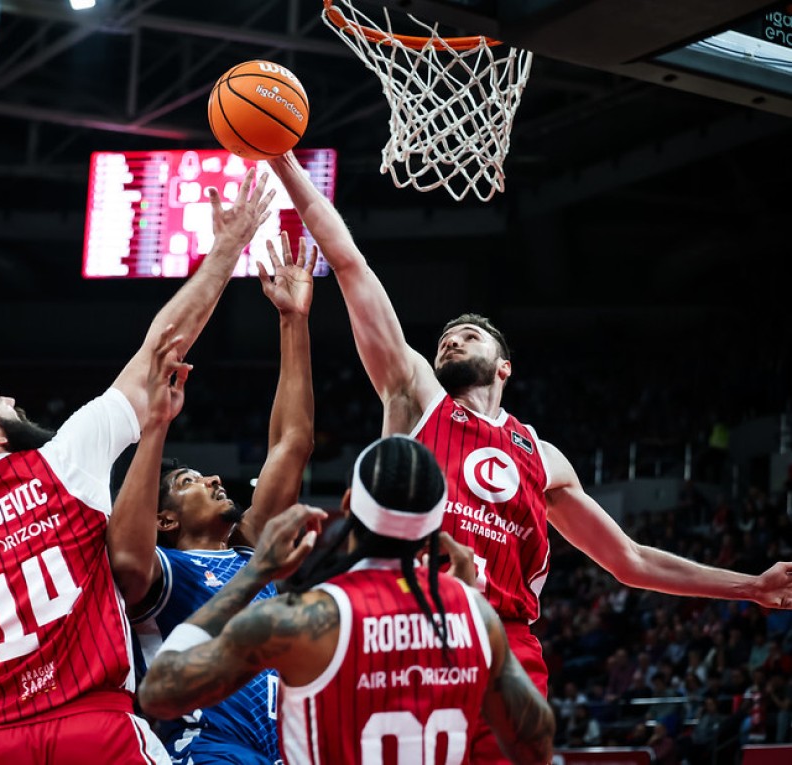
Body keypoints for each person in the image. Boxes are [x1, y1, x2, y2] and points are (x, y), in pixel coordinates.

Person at [267, 149, 792, 764]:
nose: (451, 341)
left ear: (504, 367)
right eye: (445, 340)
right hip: (408, 624)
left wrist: (752, 586)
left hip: (505, 642)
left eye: (468, 336)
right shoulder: (414, 395)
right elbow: (350, 264)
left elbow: (629, 560)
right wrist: (284, 162)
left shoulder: (544, 459)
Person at [0, 170, 275, 765]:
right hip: (93, 726)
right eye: (2, 401)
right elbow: (162, 348)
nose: (15, 402)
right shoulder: (64, 459)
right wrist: (228, 249)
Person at [137, 435, 555, 765]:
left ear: (349, 504)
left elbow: (159, 693)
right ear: (434, 521)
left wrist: (255, 573)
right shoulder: (475, 615)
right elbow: (534, 744)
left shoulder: (308, 617)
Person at [112, 235, 317, 764]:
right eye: (189, 483)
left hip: (282, 751)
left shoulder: (252, 552)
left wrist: (293, 321)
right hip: (204, 750)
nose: (213, 480)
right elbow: (126, 554)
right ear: (163, 519)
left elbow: (292, 444)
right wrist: (155, 424)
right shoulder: (164, 572)